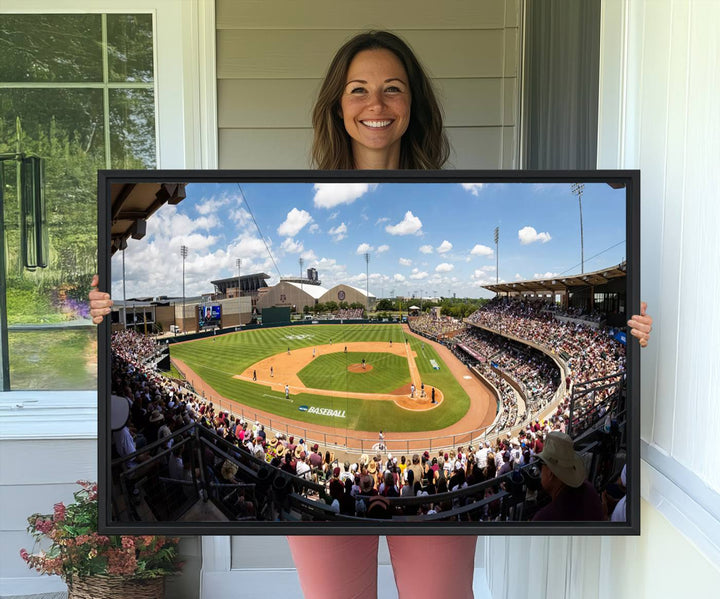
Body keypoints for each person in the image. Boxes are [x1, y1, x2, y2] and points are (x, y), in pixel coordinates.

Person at [88, 29, 654, 599]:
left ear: (414, 105)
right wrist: (100, 313)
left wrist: (630, 334)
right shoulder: (294, 180)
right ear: (337, 105)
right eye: (358, 89)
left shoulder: (454, 183)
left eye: (393, 89)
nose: (375, 105)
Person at [531, 431, 604, 521]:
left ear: (550, 473)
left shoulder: (544, 519)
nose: (540, 470)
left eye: (541, 464)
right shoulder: (589, 490)